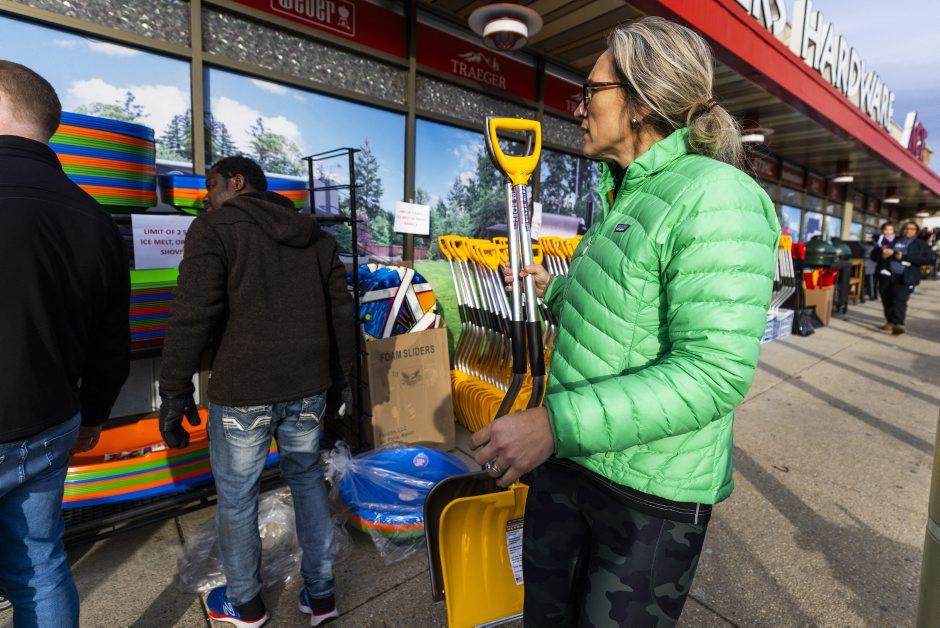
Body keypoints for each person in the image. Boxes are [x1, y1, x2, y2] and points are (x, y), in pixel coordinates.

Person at [470, 17, 779, 626]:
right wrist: (554, 288)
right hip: (574, 465)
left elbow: (713, 374)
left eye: (590, 91)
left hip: (644, 496)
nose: (578, 107)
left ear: (640, 102)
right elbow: (621, 312)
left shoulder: (717, 195)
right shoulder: (627, 195)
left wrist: (554, 424)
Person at [158, 156, 354, 627]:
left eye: (212, 185)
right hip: (308, 387)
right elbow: (341, 317)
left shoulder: (214, 229)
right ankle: (321, 595)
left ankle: (246, 604)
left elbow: (191, 315)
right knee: (307, 480)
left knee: (238, 497)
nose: (206, 197)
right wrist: (342, 380)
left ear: (238, 182)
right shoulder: (317, 238)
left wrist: (175, 390)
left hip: (243, 391)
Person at [0, 61, 130, 626]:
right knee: (40, 567)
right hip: (52, 423)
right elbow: (112, 341)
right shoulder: (95, 217)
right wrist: (92, 416)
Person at [870, 220, 935, 334]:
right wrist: (882, 255)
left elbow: (929, 259)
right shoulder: (892, 240)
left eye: (911, 229)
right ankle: (890, 321)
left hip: (905, 277)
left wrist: (905, 257)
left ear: (916, 231)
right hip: (886, 275)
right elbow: (873, 255)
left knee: (899, 299)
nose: (908, 231)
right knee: (886, 299)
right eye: (906, 228)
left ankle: (899, 323)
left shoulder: (920, 244)